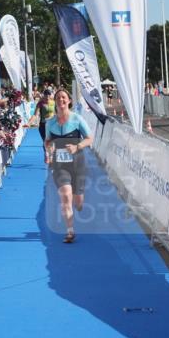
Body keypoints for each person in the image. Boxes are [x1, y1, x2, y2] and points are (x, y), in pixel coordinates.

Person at [44, 89, 93, 243]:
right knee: (66, 196)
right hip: (59, 165)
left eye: (64, 97)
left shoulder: (77, 119)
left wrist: (77, 147)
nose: (61, 100)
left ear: (69, 101)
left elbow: (90, 139)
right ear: (55, 102)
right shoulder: (50, 123)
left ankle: (77, 203)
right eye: (58, 98)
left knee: (78, 202)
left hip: (77, 163)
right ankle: (70, 231)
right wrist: (49, 148)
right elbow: (47, 141)